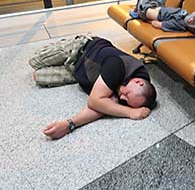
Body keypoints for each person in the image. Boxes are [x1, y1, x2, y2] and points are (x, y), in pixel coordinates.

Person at [29, 35, 157, 140]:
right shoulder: (118, 65)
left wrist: (69, 125)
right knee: (34, 62)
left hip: (80, 70)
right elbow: (95, 101)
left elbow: (103, 107)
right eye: (127, 95)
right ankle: (64, 44)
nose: (122, 97)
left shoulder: (135, 90)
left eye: (126, 102)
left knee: (38, 76)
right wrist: (130, 112)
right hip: (80, 50)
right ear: (138, 82)